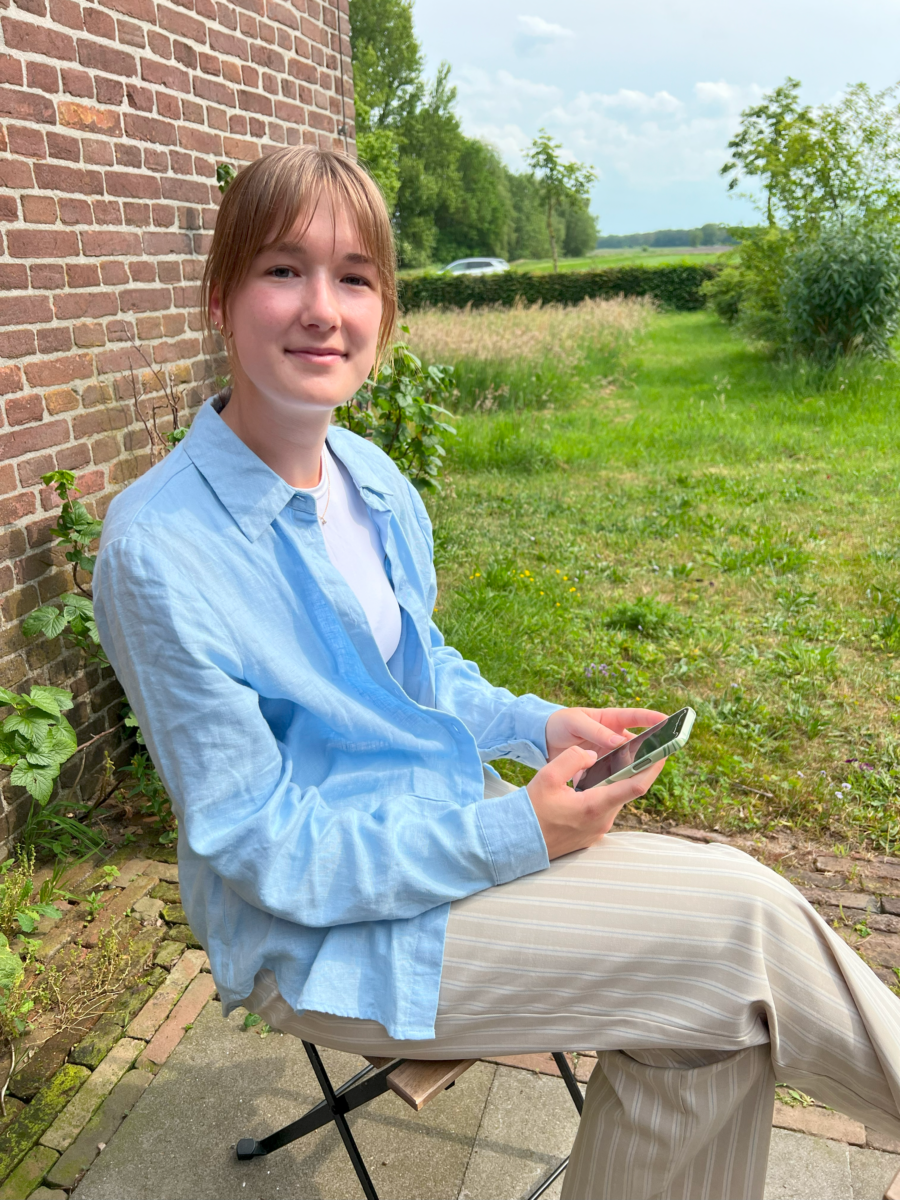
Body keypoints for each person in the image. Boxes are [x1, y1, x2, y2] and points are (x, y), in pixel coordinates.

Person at [94, 146, 900, 1200]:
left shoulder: (370, 479)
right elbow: (263, 848)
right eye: (282, 270)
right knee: (738, 923)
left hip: (435, 833)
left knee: (706, 1032)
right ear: (219, 297)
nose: (322, 309)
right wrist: (516, 830)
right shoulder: (157, 550)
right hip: (327, 934)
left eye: (356, 277)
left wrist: (541, 722)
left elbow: (421, 673)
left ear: (385, 308)